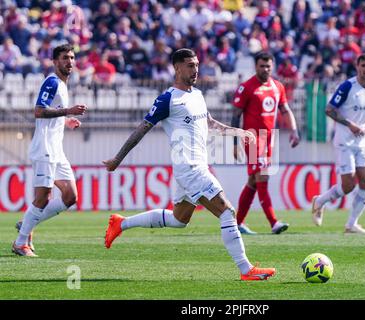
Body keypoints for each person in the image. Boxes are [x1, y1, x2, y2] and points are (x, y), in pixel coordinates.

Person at [102, 48, 275, 281]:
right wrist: (117, 159)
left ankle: (121, 224)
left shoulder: (197, 95)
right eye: (190, 65)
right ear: (177, 68)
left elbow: (210, 123)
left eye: (196, 64)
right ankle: (246, 269)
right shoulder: (168, 99)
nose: (195, 70)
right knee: (227, 212)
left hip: (193, 168)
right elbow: (141, 130)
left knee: (178, 220)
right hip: (190, 169)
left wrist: (237, 132)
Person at [13, 44, 88, 257]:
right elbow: (39, 111)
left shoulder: (63, 86)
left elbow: (52, 113)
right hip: (45, 148)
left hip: (57, 150)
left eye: (72, 58)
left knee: (70, 195)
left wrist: (66, 120)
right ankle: (20, 243)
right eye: (65, 58)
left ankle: (27, 223)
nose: (70, 62)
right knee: (43, 197)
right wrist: (68, 111)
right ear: (55, 61)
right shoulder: (53, 81)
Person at [311, 53, 365, 235]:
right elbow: (329, 109)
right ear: (357, 67)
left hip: (363, 140)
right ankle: (319, 201)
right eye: (363, 65)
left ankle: (351, 224)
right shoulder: (348, 86)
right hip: (344, 140)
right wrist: (350, 124)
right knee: (348, 184)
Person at [231, 51, 300, 235]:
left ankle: (237, 223)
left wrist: (294, 130)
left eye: (268, 66)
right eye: (262, 66)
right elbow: (235, 116)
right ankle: (273, 222)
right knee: (263, 177)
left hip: (270, 140)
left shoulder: (277, 87)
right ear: (256, 66)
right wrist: (235, 143)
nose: (265, 69)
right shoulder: (246, 88)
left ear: (273, 66)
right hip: (253, 139)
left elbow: (285, 109)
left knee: (253, 181)